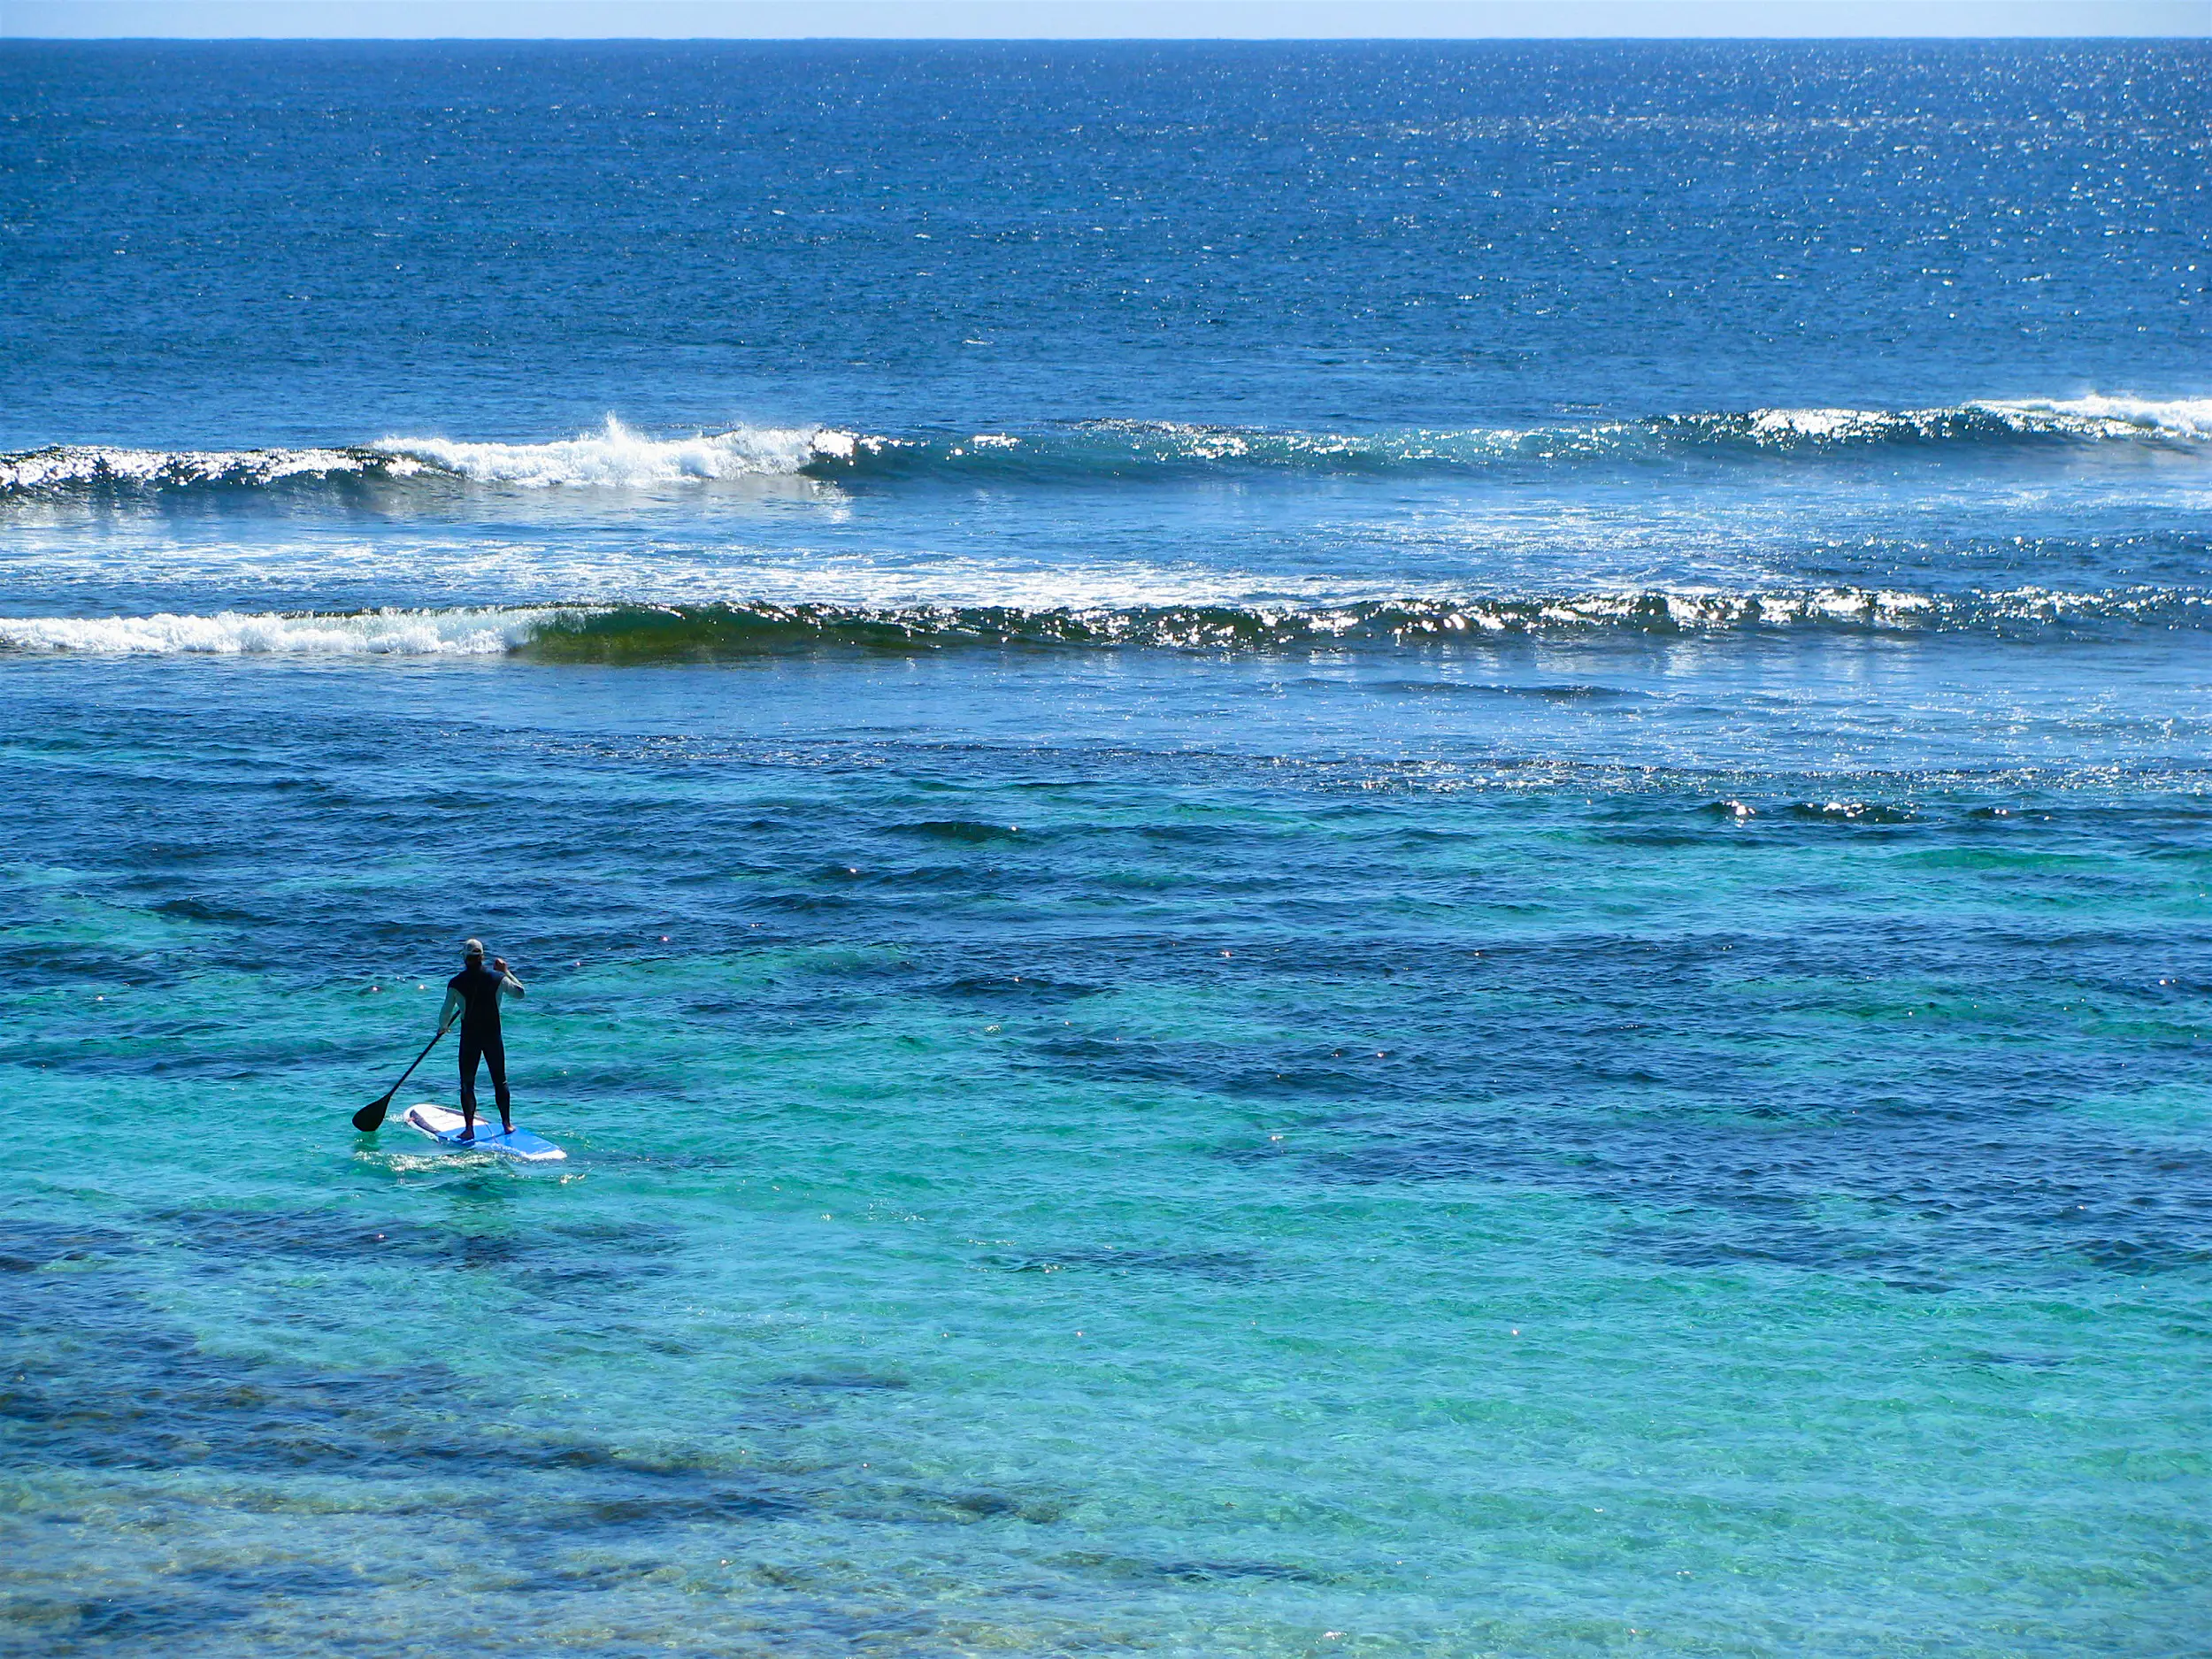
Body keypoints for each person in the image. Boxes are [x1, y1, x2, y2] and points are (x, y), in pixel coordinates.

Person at [438, 939, 525, 1140]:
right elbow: (520, 993)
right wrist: (506, 971)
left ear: (465, 959)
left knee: (467, 1084)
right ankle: (507, 1124)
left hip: (470, 1039)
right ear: (482, 957)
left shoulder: (456, 983)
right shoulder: (498, 978)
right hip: (493, 1036)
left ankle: (469, 1129)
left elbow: (445, 1013)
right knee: (500, 1081)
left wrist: (442, 1029)